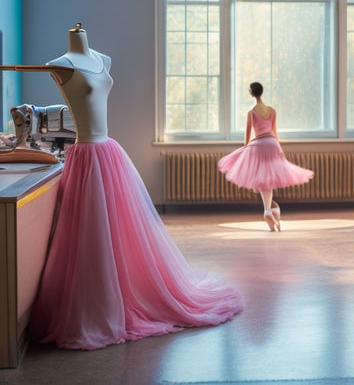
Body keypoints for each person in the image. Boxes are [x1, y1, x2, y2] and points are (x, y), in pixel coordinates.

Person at [28, 24, 243, 350]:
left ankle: (123, 295)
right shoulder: (60, 65)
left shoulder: (102, 59)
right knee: (92, 235)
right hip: (87, 155)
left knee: (120, 233)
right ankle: (97, 306)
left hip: (109, 153)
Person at [218, 82, 313, 231]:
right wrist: (279, 149)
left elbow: (247, 138)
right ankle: (270, 210)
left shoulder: (251, 112)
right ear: (261, 92)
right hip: (272, 144)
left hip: (259, 144)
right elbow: (274, 133)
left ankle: (267, 210)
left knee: (262, 179)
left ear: (251, 93)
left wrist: (244, 152)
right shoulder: (272, 111)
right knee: (267, 178)